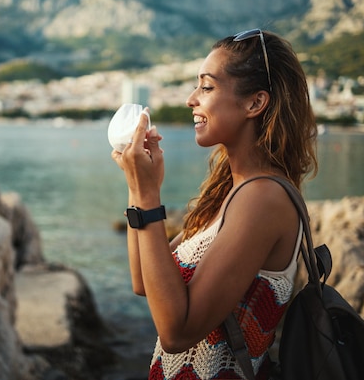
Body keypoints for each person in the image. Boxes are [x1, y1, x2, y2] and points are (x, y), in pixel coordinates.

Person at [111, 29, 318, 380]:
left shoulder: (264, 198)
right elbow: (144, 282)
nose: (192, 99)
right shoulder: (229, 194)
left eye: (206, 87)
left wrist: (148, 198)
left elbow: (176, 332)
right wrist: (140, 188)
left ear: (255, 103)